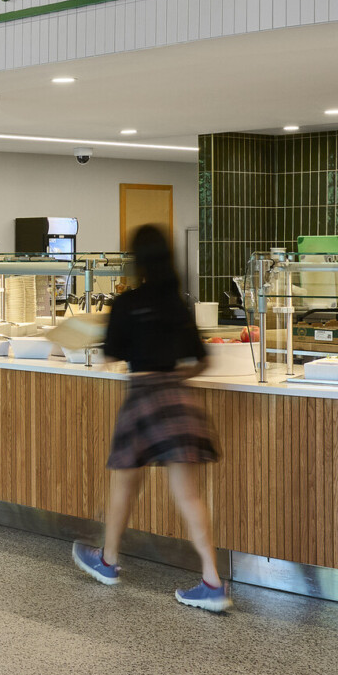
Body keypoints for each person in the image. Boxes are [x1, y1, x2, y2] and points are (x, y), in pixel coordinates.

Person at [72, 224, 231, 613]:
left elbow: (111, 355)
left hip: (142, 399)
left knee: (124, 486)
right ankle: (213, 580)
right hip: (178, 399)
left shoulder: (127, 302)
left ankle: (108, 561)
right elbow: (202, 361)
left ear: (137, 259)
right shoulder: (178, 303)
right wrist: (174, 379)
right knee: (189, 495)